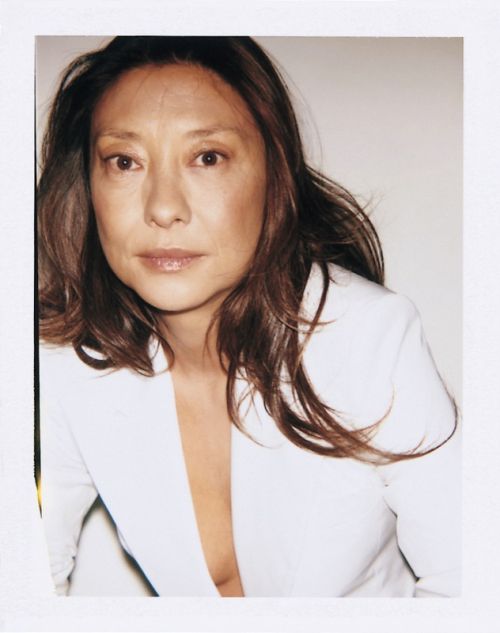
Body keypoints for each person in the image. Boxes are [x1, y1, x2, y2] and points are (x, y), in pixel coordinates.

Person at [37, 36, 460, 598]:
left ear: (272, 174)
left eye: (207, 157)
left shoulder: (369, 338)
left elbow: (469, 583)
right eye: (124, 161)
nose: (163, 208)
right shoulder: (66, 361)